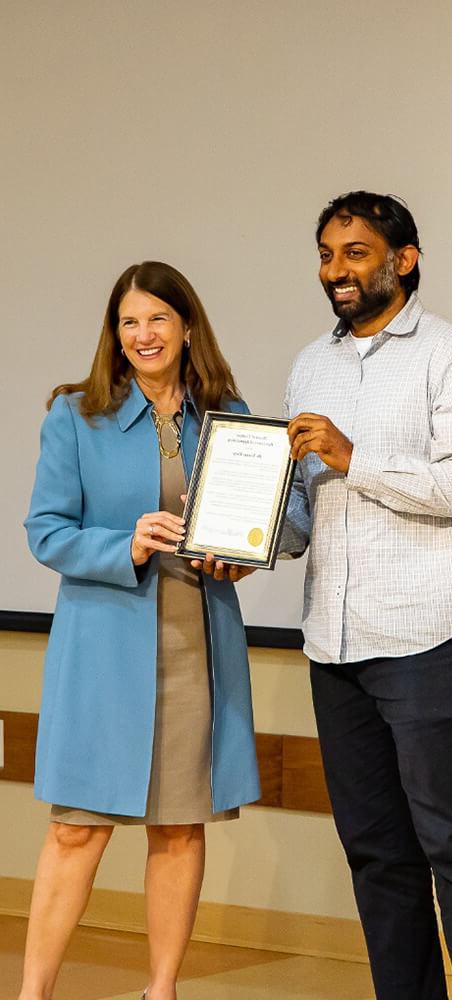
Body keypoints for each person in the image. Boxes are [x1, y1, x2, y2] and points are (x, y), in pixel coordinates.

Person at [281, 191, 452, 1000]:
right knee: (377, 854)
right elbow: (311, 507)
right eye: (325, 254)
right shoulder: (310, 364)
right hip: (334, 645)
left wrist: (356, 456)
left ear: (403, 259)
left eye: (354, 252)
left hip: (425, 639)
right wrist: (249, 540)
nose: (335, 270)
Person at [19, 261, 260, 1000]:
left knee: (181, 829)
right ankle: (34, 994)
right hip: (103, 654)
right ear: (114, 333)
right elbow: (45, 531)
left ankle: (163, 990)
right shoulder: (75, 414)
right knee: (75, 831)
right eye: (129, 321)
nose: (143, 335)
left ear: (187, 327)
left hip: (195, 646)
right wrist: (123, 542)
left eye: (157, 318)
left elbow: (284, 519)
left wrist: (244, 557)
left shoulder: (230, 413)